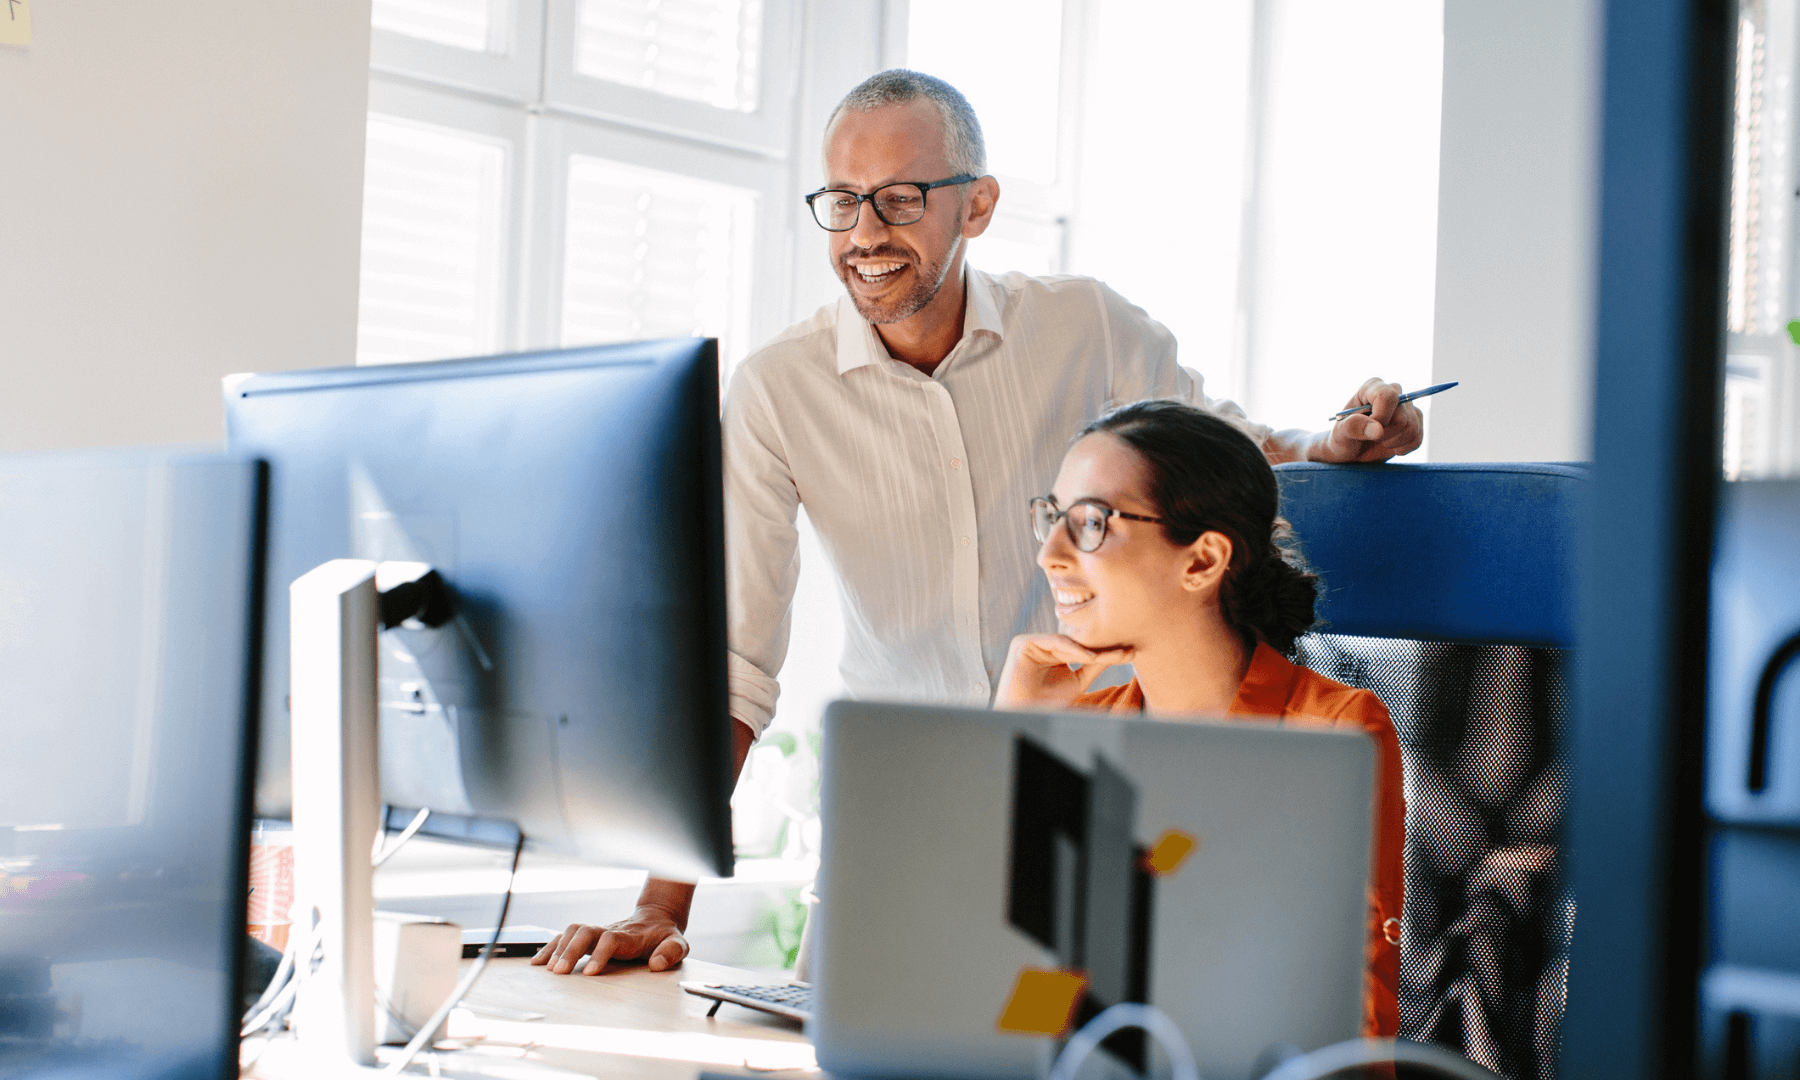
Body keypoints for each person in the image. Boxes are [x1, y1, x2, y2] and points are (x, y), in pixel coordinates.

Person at [533, 69, 1422, 979]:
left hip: (1090, 824)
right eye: (842, 202)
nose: (865, 234)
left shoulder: (1088, 327)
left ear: (978, 206)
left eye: (899, 199)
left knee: (1047, 1024)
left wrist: (1329, 440)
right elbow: (734, 664)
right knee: (871, 1045)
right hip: (899, 842)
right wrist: (659, 903)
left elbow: (1214, 447)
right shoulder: (777, 390)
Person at [993, 399, 1405, 1038]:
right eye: (1050, 517)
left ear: (1203, 561)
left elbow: (1347, 1024)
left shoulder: (1328, 733)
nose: (1049, 554)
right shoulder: (1085, 724)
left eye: (1091, 523)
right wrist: (1018, 736)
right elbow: (1026, 987)